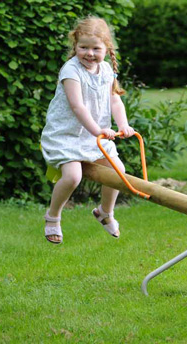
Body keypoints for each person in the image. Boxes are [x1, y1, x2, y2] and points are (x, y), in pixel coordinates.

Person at [41, 16, 135, 244]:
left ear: (106, 48)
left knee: (118, 172)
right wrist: (98, 131)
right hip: (67, 135)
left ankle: (105, 212)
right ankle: (52, 217)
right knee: (73, 177)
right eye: (83, 47)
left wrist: (122, 124)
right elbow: (77, 106)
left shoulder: (105, 70)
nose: (89, 53)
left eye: (96, 48)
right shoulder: (71, 70)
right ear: (75, 45)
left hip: (95, 136)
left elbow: (115, 101)